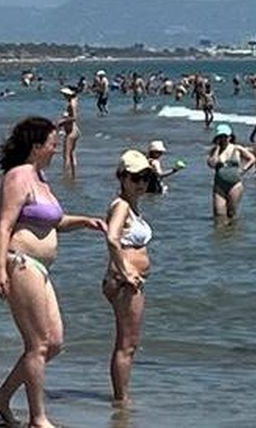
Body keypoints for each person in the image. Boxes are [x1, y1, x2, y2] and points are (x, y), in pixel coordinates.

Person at [0, 117, 105, 428]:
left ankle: (1, 397)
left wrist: (86, 221)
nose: (56, 149)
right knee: (38, 344)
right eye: (52, 144)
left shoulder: (41, 179)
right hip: (20, 263)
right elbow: (4, 225)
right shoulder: (18, 177)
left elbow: (55, 221)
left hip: (40, 268)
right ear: (37, 146)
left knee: (54, 343)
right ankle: (38, 418)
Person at [103, 150, 155, 403]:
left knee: (128, 343)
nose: (141, 183)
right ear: (122, 178)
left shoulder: (131, 206)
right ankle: (121, 401)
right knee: (127, 344)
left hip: (128, 280)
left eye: (145, 177)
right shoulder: (122, 206)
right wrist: (126, 271)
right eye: (135, 178)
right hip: (124, 281)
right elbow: (112, 238)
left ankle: (122, 398)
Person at [207, 124, 256, 220]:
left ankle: (233, 228)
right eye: (220, 137)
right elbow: (212, 164)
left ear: (230, 137)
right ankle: (222, 229)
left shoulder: (237, 148)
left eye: (225, 136)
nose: (223, 139)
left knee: (231, 212)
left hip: (235, 184)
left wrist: (243, 170)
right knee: (219, 214)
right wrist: (217, 149)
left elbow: (252, 158)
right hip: (219, 185)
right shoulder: (214, 151)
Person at [58, 86, 80, 180]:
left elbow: (74, 117)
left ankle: (66, 176)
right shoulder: (74, 101)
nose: (64, 96)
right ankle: (73, 176)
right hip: (74, 130)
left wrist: (62, 121)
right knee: (72, 154)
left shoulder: (71, 104)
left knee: (66, 156)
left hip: (71, 131)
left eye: (65, 94)